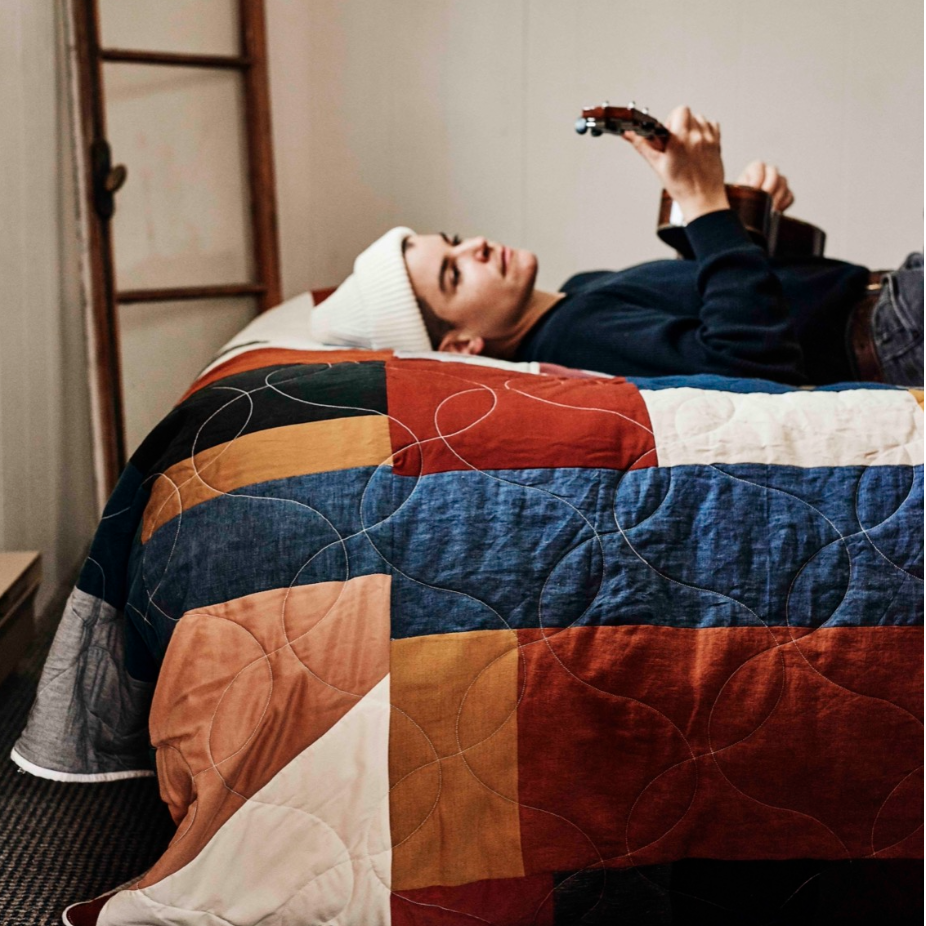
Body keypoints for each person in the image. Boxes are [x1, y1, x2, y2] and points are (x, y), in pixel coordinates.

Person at [310, 106, 924, 386]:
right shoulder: (569, 340)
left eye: (453, 241)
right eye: (454, 274)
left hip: (893, 295)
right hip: (891, 332)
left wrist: (750, 220)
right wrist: (704, 206)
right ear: (461, 344)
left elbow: (740, 303)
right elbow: (752, 367)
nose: (476, 247)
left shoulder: (578, 291)